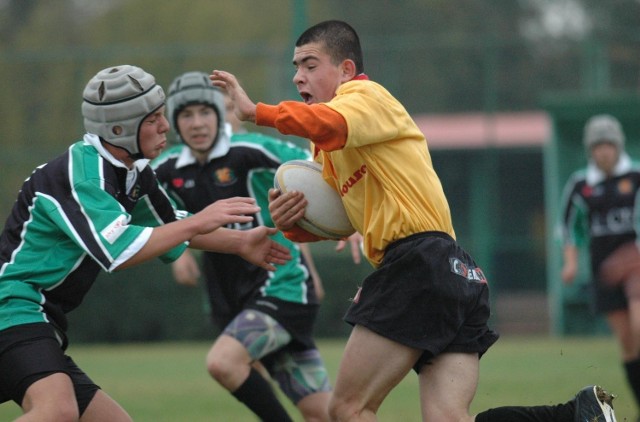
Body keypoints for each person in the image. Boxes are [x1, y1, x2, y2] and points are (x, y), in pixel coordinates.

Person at [211, 19, 618, 422]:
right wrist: (290, 223)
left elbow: (328, 124)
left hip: (419, 263)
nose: (299, 76)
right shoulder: (329, 147)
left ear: (346, 70)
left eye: (311, 64)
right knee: (447, 417)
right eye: (295, 67)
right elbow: (342, 220)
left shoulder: (365, 96)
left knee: (348, 409)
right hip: (452, 272)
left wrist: (254, 112)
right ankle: (575, 415)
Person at [0, 64, 291, 422]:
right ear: (118, 129)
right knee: (56, 411)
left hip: (38, 316)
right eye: (153, 119)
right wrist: (202, 218)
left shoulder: (132, 173)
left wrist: (240, 241)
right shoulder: (84, 173)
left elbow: (171, 226)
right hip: (13, 307)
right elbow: (119, 250)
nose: (166, 127)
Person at [151, 71, 331, 422]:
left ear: (220, 114)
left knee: (223, 362)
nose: (197, 123)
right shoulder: (167, 168)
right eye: (186, 114)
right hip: (228, 296)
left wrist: (347, 219)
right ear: (173, 122)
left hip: (282, 286)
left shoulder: (247, 151)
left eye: (205, 111)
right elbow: (153, 215)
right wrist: (179, 254)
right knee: (325, 413)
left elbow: (319, 167)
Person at [561, 114, 640, 418]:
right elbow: (568, 228)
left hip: (634, 268)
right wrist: (571, 263)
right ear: (590, 150)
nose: (604, 151)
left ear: (618, 147)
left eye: (609, 145)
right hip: (604, 273)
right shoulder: (582, 185)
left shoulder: (634, 177)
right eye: (598, 146)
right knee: (628, 344)